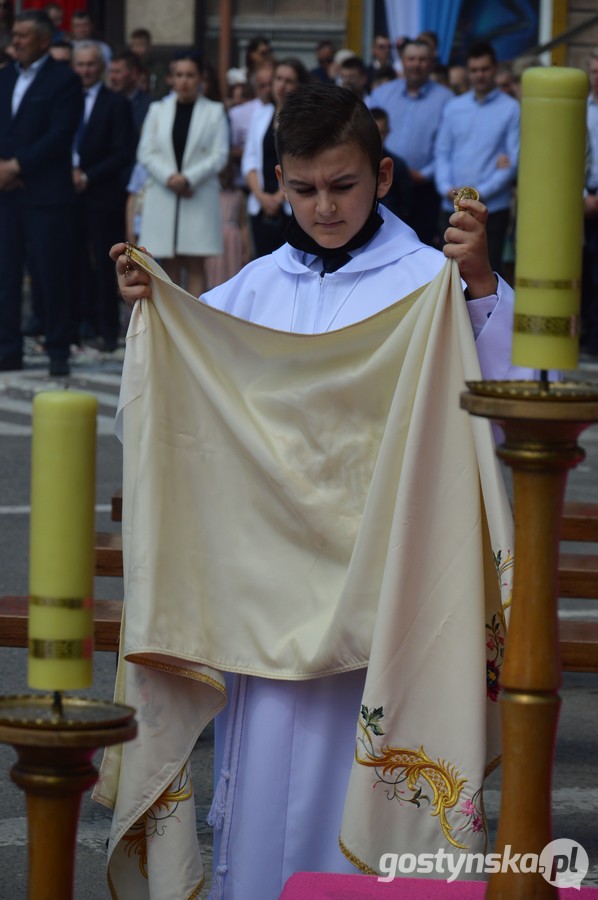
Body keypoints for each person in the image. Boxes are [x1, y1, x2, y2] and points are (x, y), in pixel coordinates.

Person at [106, 82, 535, 899]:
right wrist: (154, 320)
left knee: (367, 789)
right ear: (277, 179)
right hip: (271, 602)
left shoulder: (426, 282)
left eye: (342, 185)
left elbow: (512, 415)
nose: (323, 207)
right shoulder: (255, 288)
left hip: (385, 596)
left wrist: (481, 289)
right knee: (264, 809)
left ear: (381, 173)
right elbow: (185, 412)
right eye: (302, 190)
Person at [0, 9, 82, 375]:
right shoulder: (4, 79)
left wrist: (17, 166)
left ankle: (58, 349)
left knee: (51, 274)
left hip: (46, 195)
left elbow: (59, 134)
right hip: (7, 193)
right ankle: (8, 349)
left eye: (23, 36)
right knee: (5, 274)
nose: (14, 41)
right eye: (13, 35)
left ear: (44, 41)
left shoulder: (64, 80)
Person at [136, 50, 229, 296]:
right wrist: (169, 177)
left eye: (190, 75)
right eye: (179, 75)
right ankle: (172, 325)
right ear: (170, 78)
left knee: (196, 262)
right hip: (164, 193)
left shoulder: (214, 111)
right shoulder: (158, 110)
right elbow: (146, 152)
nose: (184, 80)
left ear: (200, 78)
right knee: (169, 264)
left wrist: (188, 178)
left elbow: (219, 155)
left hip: (197, 193)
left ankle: (195, 324)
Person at [434, 41, 519, 275]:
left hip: (491, 208)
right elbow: (442, 152)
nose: (479, 75)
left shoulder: (511, 109)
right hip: (451, 206)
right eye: (474, 70)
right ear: (467, 71)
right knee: (450, 275)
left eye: (485, 69)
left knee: (488, 275)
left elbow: (511, 161)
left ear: (495, 69)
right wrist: (445, 187)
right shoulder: (454, 107)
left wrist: (476, 195)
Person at [71, 40, 135, 350]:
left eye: (90, 64)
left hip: (102, 195)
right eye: (80, 64)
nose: (85, 70)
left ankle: (108, 328)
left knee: (106, 261)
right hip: (67, 196)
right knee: (75, 261)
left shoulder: (115, 103)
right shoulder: (66, 99)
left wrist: (88, 175)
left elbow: (123, 152)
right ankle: (81, 323)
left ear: (102, 68)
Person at [368, 37, 453, 247]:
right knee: (380, 246)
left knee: (419, 247)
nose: (416, 64)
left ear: (432, 63)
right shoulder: (382, 94)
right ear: (402, 61)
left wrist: (425, 174)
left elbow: (447, 147)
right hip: (385, 187)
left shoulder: (447, 99)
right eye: (411, 59)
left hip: (424, 190)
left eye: (422, 59)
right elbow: (366, 133)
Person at [241, 56, 310, 257]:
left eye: (289, 80)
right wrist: (261, 196)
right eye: (278, 79)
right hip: (261, 204)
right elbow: (250, 159)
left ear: (299, 85)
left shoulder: (304, 118)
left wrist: (279, 198)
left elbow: (302, 163)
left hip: (290, 204)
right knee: (262, 263)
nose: (282, 85)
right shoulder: (260, 114)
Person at [108, 49, 151, 139]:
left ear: (134, 74)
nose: (112, 77)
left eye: (117, 72)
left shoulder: (150, 107)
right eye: (111, 71)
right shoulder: (104, 104)